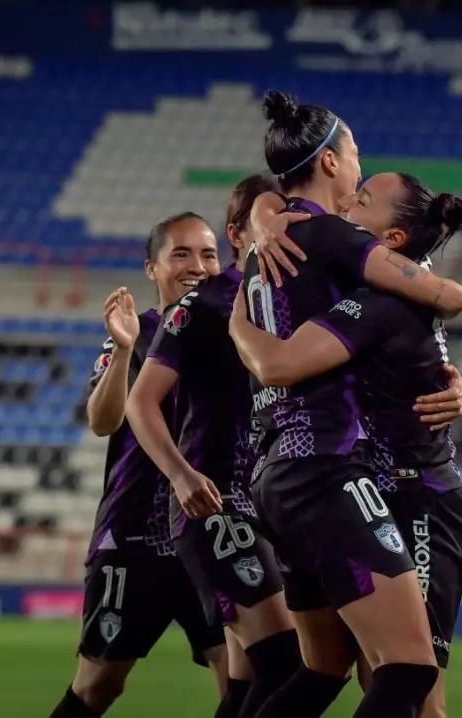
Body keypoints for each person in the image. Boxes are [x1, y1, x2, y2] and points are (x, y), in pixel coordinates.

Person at [233, 90, 462, 718]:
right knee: (410, 672)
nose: (359, 170)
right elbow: (449, 296)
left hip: (276, 473)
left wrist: (261, 216)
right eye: (357, 155)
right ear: (332, 162)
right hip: (333, 470)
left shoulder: (272, 245)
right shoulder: (338, 242)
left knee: (324, 668)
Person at [125, 176, 300, 718]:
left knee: (245, 687)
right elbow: (140, 403)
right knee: (288, 664)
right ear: (239, 233)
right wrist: (179, 475)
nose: (284, 230)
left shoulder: (298, 299)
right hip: (216, 503)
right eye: (270, 219)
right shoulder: (202, 305)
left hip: (270, 504)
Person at [50, 213, 231, 718]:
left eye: (209, 254)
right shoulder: (139, 332)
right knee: (99, 684)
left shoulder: (238, 331)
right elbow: (103, 421)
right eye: (182, 254)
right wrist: (125, 348)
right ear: (151, 268)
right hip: (135, 535)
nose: (198, 266)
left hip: (215, 528)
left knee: (242, 674)